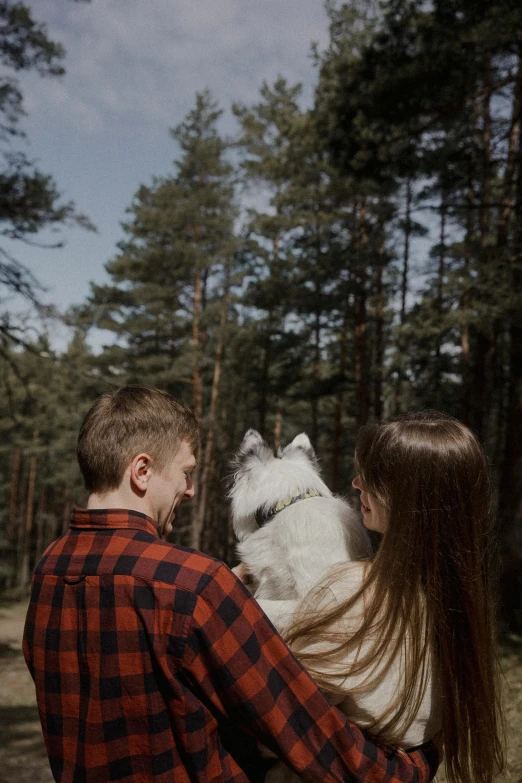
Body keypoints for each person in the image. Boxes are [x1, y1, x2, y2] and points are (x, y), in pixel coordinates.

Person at [22, 386, 438, 783]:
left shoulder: (49, 571)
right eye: (185, 473)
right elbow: (298, 726)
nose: (189, 491)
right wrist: (411, 768)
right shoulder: (195, 587)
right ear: (142, 470)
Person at [255, 412, 505, 783]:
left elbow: (286, 719)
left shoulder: (351, 591)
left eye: (371, 478)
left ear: (406, 495)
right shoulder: (459, 604)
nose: (356, 483)